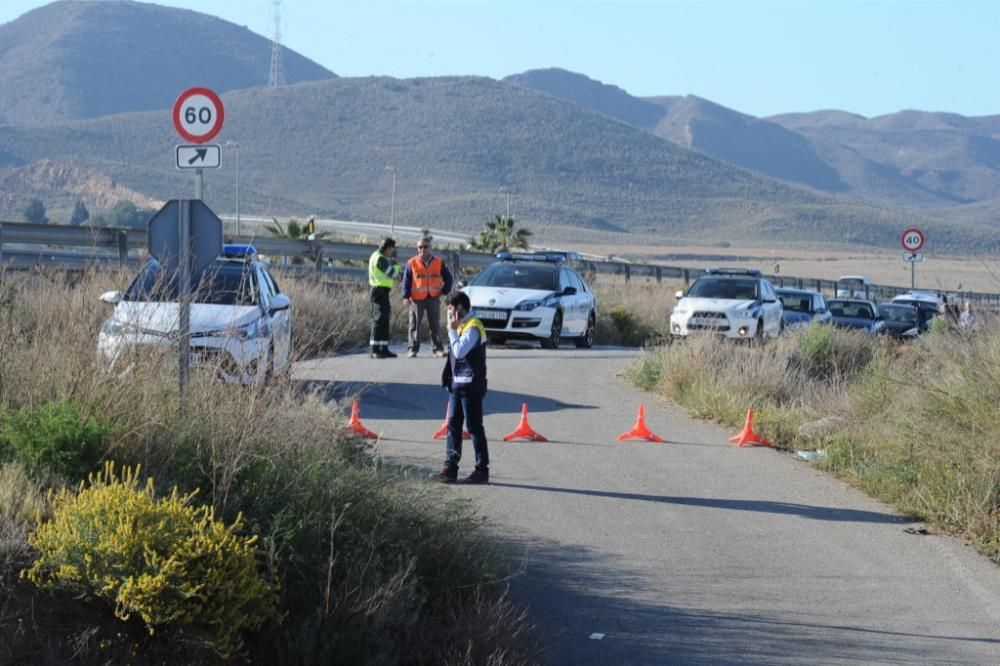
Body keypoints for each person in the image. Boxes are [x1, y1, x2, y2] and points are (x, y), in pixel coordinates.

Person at [438, 292, 489, 484]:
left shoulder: (473, 327)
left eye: (450, 310)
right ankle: (450, 468)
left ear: (460, 309)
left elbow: (459, 352)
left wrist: (451, 331)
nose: (449, 315)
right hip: (456, 385)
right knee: (453, 427)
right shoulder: (461, 326)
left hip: (471, 386)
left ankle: (481, 470)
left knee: (474, 427)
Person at [402, 236, 453, 358]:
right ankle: (412, 349)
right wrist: (405, 296)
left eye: (425, 247)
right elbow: (406, 281)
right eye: (420, 247)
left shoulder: (438, 262)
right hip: (416, 298)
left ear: (430, 248)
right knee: (414, 324)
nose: (422, 249)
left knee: (435, 324)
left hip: (433, 297)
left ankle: (438, 349)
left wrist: (444, 291)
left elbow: (448, 278)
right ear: (417, 248)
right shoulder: (411, 263)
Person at [368, 237, 401, 359]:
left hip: (382, 292)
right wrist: (396, 265)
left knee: (385, 318)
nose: (393, 252)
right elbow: (391, 273)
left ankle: (383, 348)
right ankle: (374, 349)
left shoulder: (379, 257)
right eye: (392, 249)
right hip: (378, 291)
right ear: (388, 248)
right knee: (379, 318)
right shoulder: (380, 258)